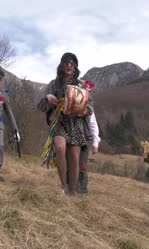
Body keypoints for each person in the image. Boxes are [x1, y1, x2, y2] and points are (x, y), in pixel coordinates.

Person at [37, 52, 94, 194]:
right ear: (61, 66)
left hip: (76, 124)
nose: (69, 65)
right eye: (66, 62)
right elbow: (40, 106)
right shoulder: (53, 84)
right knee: (60, 148)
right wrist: (47, 98)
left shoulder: (81, 85)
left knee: (74, 157)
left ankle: (73, 191)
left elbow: (90, 107)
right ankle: (64, 186)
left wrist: (82, 110)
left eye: (72, 63)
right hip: (59, 122)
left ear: (75, 67)